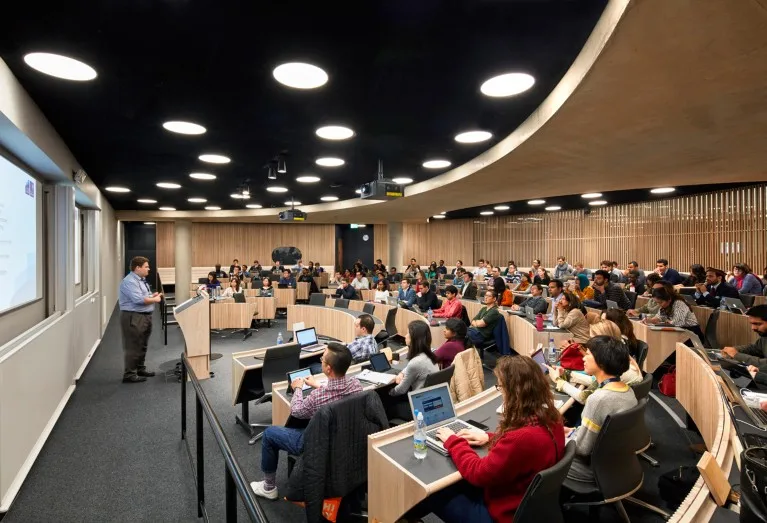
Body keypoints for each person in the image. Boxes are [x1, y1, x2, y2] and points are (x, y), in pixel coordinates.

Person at [407, 356, 564, 523]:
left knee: (433, 493)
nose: (500, 392)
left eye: (501, 387)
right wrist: (490, 438)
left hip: (501, 514)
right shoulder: (552, 419)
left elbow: (478, 472)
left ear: (515, 392)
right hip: (526, 506)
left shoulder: (519, 440)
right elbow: (523, 447)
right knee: (455, 484)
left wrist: (453, 441)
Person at [250, 343, 362, 499]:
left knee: (269, 434)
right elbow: (335, 393)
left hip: (316, 443)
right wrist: (317, 385)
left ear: (328, 369)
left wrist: (298, 388)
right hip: (344, 438)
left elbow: (297, 411)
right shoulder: (356, 385)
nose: (321, 360)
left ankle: (268, 488)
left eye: (322, 358)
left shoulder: (318, 397)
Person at [564, 336, 637, 484]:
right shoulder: (628, 391)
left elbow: (581, 449)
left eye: (589, 354)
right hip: (617, 465)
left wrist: (559, 437)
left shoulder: (598, 400)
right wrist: (572, 431)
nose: (584, 358)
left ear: (602, 362)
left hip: (592, 470)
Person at [549, 323, 642, 405]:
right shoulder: (622, 359)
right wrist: (566, 374)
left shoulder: (617, 369)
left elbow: (583, 397)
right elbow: (594, 381)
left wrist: (558, 381)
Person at [119, 256, 162, 383]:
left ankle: (139, 369)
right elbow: (138, 300)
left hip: (144, 316)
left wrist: (151, 295)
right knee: (133, 346)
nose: (149, 269)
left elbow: (143, 296)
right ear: (137, 268)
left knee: (142, 344)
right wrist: (155, 299)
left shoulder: (141, 280)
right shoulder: (129, 281)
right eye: (146, 267)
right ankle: (129, 374)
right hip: (134, 316)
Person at [390, 321, 439, 396]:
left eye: (407, 333)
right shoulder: (430, 355)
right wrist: (402, 373)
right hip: (430, 396)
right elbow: (412, 367)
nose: (405, 336)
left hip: (417, 401)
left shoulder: (415, 362)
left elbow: (401, 390)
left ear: (414, 338)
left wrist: (390, 392)